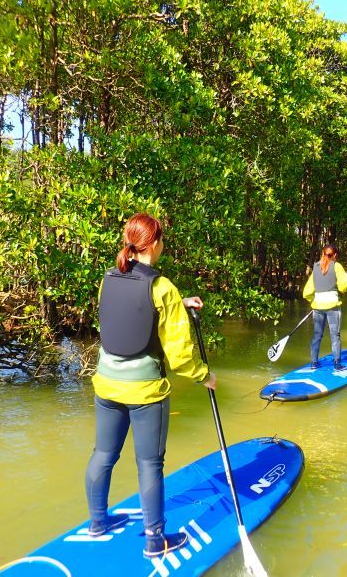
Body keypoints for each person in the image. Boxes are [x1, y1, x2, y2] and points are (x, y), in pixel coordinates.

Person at [84, 212, 216, 559]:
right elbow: (180, 356)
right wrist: (206, 376)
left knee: (103, 455)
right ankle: (156, 542)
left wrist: (179, 304)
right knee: (149, 464)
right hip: (145, 392)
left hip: (106, 386)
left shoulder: (108, 277)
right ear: (154, 243)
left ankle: (98, 523)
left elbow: (130, 312)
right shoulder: (163, 288)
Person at [302, 244, 347, 372]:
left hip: (317, 306)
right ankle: (337, 365)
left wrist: (313, 302)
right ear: (335, 255)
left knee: (317, 335)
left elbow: (307, 292)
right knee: (335, 336)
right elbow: (343, 288)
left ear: (323, 254)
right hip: (332, 307)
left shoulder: (316, 266)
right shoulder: (336, 266)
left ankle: (314, 363)